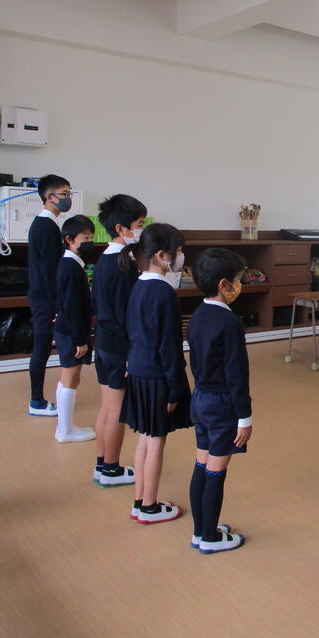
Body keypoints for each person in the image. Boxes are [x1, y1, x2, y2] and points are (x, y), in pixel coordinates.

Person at [120, 223, 191, 524]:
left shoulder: (139, 285)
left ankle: (140, 501)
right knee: (156, 441)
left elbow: (131, 330)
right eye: (179, 251)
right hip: (157, 376)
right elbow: (169, 347)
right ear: (162, 255)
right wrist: (175, 389)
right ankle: (149, 506)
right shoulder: (164, 292)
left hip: (138, 370)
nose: (181, 256)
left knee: (145, 438)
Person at [187, 248, 252, 554]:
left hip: (200, 398)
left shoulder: (197, 315)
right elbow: (237, 375)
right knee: (216, 469)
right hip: (222, 404)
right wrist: (245, 417)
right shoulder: (229, 323)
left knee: (202, 463)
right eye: (238, 279)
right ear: (224, 285)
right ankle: (210, 538)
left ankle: (200, 531)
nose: (241, 285)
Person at [92, 194, 147, 487]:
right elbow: (127, 313)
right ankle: (111, 470)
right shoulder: (122, 266)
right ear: (120, 228)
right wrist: (131, 352)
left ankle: (102, 464)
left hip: (104, 341)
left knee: (107, 407)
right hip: (118, 345)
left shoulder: (105, 258)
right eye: (139, 224)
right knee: (116, 410)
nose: (141, 230)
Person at [27, 174, 71, 417]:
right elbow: (49, 271)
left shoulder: (48, 223)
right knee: (41, 348)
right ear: (49, 197)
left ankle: (39, 400)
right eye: (64, 194)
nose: (67, 198)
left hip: (43, 296)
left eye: (69, 194)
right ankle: (36, 401)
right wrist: (57, 304)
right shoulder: (45, 226)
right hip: (45, 298)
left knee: (43, 348)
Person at [53, 215, 96, 443]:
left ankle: (64, 426)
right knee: (71, 377)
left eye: (91, 237)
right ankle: (65, 430)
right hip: (71, 332)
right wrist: (80, 340)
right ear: (69, 240)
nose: (89, 242)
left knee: (67, 377)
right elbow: (72, 307)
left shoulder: (71, 263)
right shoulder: (70, 267)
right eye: (85, 238)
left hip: (66, 328)